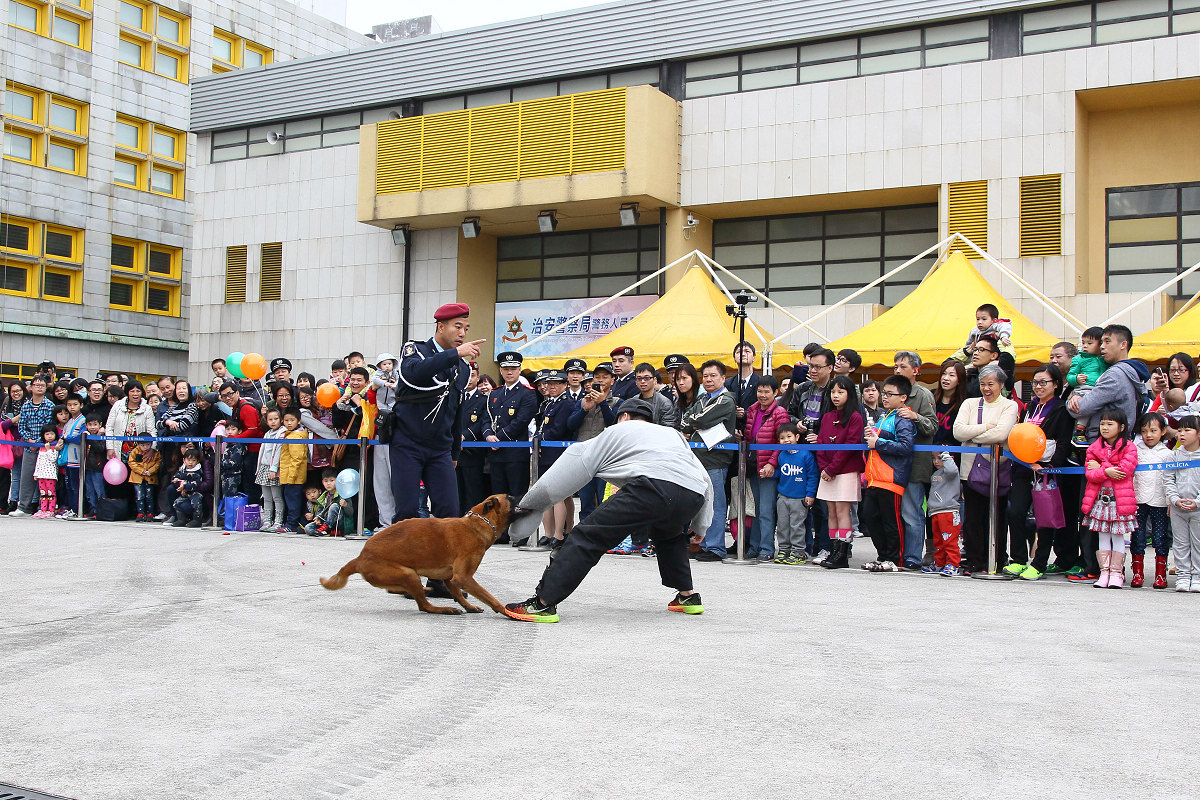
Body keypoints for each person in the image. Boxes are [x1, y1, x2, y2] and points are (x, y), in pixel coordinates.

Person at [501, 398, 713, 624]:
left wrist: (528, 509)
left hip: (652, 487)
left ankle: (542, 604)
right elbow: (705, 480)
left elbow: (570, 465)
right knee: (669, 534)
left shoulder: (617, 431)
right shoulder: (673, 435)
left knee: (587, 536)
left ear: (624, 417)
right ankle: (688, 596)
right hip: (692, 494)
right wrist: (701, 525)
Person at [1002, 364, 1073, 580]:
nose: (1038, 386)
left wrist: (1050, 467)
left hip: (1046, 471)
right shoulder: (1030, 407)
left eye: (1044, 382)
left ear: (1056, 384)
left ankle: (1039, 563)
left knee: (1044, 517)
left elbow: (1063, 443)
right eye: (1035, 382)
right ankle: (1018, 560)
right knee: (1015, 512)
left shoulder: (1061, 409)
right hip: (1023, 468)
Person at [953, 363, 1019, 575]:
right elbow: (958, 432)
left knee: (996, 517)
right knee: (972, 517)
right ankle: (975, 560)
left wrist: (972, 436)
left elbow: (1001, 434)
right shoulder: (970, 403)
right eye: (983, 384)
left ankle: (997, 559)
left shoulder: (1009, 406)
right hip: (970, 469)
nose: (986, 388)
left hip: (997, 469)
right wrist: (984, 429)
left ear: (1001, 385)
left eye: (991, 384)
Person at [679, 360, 735, 561]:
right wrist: (695, 423)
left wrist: (695, 423)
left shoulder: (726, 400)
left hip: (716, 460)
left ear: (723, 378)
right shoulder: (702, 399)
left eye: (713, 375)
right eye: (705, 376)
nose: (709, 379)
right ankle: (703, 543)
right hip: (698, 459)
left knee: (716, 504)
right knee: (702, 504)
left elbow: (699, 420)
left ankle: (716, 547)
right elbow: (685, 422)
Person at [860, 375, 915, 573]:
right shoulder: (884, 416)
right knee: (871, 518)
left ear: (903, 397)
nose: (885, 397)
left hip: (891, 478)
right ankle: (882, 556)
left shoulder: (903, 419)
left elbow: (906, 447)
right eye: (884, 393)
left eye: (890, 394)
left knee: (891, 521)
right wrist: (871, 435)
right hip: (874, 477)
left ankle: (894, 558)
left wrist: (878, 442)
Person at [1081, 409, 1138, 589]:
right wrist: (1107, 471)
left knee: (1118, 536)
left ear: (1122, 427)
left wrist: (1102, 467)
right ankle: (1104, 572)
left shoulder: (1129, 447)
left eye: (1110, 424)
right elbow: (1090, 474)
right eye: (1102, 424)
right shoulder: (1093, 447)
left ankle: (1116, 573)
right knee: (1103, 535)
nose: (1104, 427)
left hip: (1120, 499)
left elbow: (1123, 471)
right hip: (1100, 498)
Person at [1067, 324, 1150, 445]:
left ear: (1123, 344)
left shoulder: (1114, 375)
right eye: (1101, 342)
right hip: (1116, 441)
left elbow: (1081, 408)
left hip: (1104, 444)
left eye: (1107, 341)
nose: (1102, 346)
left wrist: (1070, 400)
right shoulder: (1129, 371)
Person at [893, 350, 938, 570]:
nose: (898, 370)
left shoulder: (922, 394)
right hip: (892, 462)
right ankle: (896, 554)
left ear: (916, 370)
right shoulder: (892, 392)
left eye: (903, 366)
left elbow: (932, 426)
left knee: (912, 512)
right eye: (895, 366)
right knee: (896, 513)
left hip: (915, 463)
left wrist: (915, 416)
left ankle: (913, 556)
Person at [814, 375, 865, 568]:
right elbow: (820, 443)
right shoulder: (827, 416)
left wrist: (831, 468)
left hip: (845, 470)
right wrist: (823, 468)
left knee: (843, 511)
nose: (835, 396)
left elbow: (850, 446)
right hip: (827, 471)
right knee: (831, 512)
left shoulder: (855, 417)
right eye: (833, 392)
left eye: (840, 392)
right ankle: (833, 550)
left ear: (849, 394)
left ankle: (843, 553)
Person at [484, 349, 538, 522]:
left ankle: (518, 532)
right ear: (500, 370)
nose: (509, 372)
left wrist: (498, 438)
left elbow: (521, 421)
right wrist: (488, 435)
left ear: (519, 370)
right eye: (506, 369)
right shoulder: (495, 393)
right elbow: (486, 418)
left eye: (513, 369)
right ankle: (501, 530)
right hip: (495, 453)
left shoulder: (527, 393)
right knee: (498, 496)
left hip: (515, 453)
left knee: (517, 496)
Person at [744, 375, 789, 562]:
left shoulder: (780, 412)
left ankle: (766, 548)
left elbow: (782, 441)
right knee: (755, 510)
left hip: (768, 467)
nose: (762, 395)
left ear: (775, 392)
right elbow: (749, 436)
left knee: (766, 510)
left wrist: (772, 463)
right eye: (759, 391)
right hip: (753, 465)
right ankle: (754, 546)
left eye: (766, 391)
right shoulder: (752, 409)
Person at [567, 361, 618, 523]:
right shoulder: (582, 401)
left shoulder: (618, 402)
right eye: (597, 377)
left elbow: (615, 424)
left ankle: (604, 531)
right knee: (586, 500)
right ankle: (585, 531)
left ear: (612, 380)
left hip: (606, 457)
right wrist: (584, 410)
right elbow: (570, 425)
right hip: (584, 457)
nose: (600, 380)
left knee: (605, 499)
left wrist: (602, 402)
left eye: (605, 377)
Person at [535, 370, 576, 549]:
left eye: (556, 384)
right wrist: (537, 440)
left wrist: (540, 439)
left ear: (565, 385)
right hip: (546, 452)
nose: (551, 387)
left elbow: (558, 429)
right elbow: (541, 426)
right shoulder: (548, 404)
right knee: (547, 495)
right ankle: (549, 533)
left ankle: (560, 533)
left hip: (558, 453)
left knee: (560, 495)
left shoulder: (566, 403)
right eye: (549, 383)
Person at [1132, 412, 1173, 589]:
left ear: (1163, 431)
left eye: (1153, 430)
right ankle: (1137, 573)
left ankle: (1160, 574)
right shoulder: (1134, 451)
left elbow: (1171, 479)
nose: (1148, 435)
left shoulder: (1168, 454)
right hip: (1138, 500)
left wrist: (1170, 501)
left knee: (1160, 536)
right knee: (1137, 536)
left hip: (1160, 501)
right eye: (1144, 431)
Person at [773, 422, 818, 565]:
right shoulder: (782, 455)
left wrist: (810, 494)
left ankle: (798, 551)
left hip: (799, 498)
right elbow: (781, 472)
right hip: (783, 496)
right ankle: (784, 549)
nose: (786, 440)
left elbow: (812, 476)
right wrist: (771, 473)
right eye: (782, 438)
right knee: (782, 525)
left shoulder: (806, 455)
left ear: (797, 437)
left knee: (797, 526)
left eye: (789, 436)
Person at [1165, 415, 1200, 592]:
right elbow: (1168, 480)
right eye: (1179, 430)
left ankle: (1197, 576)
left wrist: (1197, 502)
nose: (1182, 434)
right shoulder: (1173, 456)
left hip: (1198, 509)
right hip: (1178, 508)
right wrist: (1175, 499)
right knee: (1180, 543)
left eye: (1187, 430)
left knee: (1198, 543)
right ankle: (1183, 575)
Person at [13, 374, 54, 516]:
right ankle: (23, 507)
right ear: (31, 387)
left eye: (42, 385)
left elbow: (49, 426)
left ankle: (45, 507)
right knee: (26, 477)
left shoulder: (50, 406)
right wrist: (29, 439)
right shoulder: (26, 406)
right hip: (28, 447)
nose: (40, 388)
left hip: (44, 448)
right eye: (37, 385)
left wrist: (38, 441)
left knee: (45, 479)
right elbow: (21, 426)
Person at [369, 352, 399, 527]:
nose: (387, 366)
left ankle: (398, 520)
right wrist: (375, 387)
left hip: (396, 433)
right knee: (381, 481)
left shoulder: (399, 377)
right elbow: (370, 399)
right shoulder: (376, 380)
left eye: (389, 363)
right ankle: (386, 521)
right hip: (379, 433)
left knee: (396, 480)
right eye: (384, 364)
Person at [1067, 326, 1109, 446]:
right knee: (1084, 405)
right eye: (1083, 343)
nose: (1085, 346)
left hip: (1099, 388)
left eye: (1090, 343)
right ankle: (1079, 430)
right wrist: (1076, 379)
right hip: (1084, 388)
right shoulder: (1079, 359)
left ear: (1100, 344)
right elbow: (1070, 376)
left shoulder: (1104, 359)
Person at [457, 366, 491, 514]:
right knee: (456, 492)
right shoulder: (455, 397)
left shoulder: (483, 400)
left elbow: (482, 422)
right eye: (466, 375)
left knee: (473, 492)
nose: (469, 379)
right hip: (455, 452)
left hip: (473, 452)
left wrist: (464, 436)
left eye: (472, 375)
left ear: (478, 378)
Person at [927, 451, 962, 576]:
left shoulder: (951, 472)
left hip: (948, 511)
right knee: (938, 541)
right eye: (934, 458)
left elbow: (952, 470)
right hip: (936, 511)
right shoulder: (936, 473)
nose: (936, 461)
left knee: (950, 541)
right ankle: (940, 562)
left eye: (940, 458)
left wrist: (946, 457)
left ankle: (953, 564)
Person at [278, 408, 310, 533]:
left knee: (293, 502)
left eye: (292, 420)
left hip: (293, 476)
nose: (289, 423)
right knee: (293, 500)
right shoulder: (291, 434)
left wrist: (291, 476)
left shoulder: (296, 436)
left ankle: (291, 525)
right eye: (286, 420)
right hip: (290, 474)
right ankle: (295, 524)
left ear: (299, 421)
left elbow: (297, 458)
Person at [256, 407, 287, 532]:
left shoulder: (282, 433)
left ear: (281, 419)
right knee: (266, 497)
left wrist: (274, 468)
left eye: (276, 419)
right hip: (264, 467)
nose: (273, 421)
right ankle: (267, 520)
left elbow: (279, 452)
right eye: (270, 419)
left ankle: (278, 521)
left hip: (275, 468)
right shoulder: (267, 433)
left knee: (277, 497)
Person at [170, 445, 212, 528]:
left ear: (197, 461)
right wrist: (176, 479)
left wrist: (185, 487)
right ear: (184, 460)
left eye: (193, 460)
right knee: (177, 503)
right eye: (188, 460)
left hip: (196, 492)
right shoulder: (183, 469)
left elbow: (196, 484)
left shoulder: (197, 471)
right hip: (185, 493)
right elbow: (177, 476)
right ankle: (181, 519)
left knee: (196, 504)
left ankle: (197, 520)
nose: (190, 462)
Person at [58, 393, 85, 518]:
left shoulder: (83, 420)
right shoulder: (69, 421)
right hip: (68, 457)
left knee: (75, 486)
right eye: (69, 405)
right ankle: (70, 508)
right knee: (68, 486)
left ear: (81, 405)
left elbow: (81, 438)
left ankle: (76, 509)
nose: (72, 407)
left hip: (77, 458)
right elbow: (62, 436)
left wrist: (66, 438)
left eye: (75, 404)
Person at [633, 362, 679, 429]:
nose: (642, 381)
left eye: (647, 378)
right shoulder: (633, 401)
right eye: (639, 378)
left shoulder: (664, 403)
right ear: (636, 381)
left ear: (654, 380)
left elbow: (669, 427)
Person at [724, 341, 761, 421]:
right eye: (739, 352)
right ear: (734, 358)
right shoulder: (727, 383)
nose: (743, 354)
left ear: (754, 357)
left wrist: (746, 413)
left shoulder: (761, 382)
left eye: (747, 351)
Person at [933, 360, 967, 446]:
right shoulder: (931, 396)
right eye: (944, 374)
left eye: (951, 375)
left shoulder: (965, 402)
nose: (946, 378)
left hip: (953, 449)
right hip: (931, 448)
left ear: (959, 380)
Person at [128, 441, 162, 522]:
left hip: (150, 477)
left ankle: (150, 513)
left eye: (147, 445)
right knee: (139, 496)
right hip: (137, 477)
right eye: (142, 445)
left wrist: (150, 471)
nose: (145, 447)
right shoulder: (135, 451)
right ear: (138, 444)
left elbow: (158, 463)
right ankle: (140, 513)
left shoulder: (156, 453)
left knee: (149, 496)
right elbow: (131, 462)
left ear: (151, 444)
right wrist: (141, 471)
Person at [32, 423, 61, 518]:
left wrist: (49, 449)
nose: (49, 436)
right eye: (47, 434)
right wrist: (36, 473)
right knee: (43, 493)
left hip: (50, 474)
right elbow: (38, 461)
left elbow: (53, 459)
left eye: (52, 434)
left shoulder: (55, 446)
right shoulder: (42, 446)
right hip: (41, 474)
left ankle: (51, 510)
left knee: (51, 492)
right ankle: (43, 509)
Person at [82, 414, 107, 517]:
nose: (92, 427)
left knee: (99, 490)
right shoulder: (84, 435)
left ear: (100, 425)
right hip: (87, 467)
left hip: (98, 467)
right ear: (86, 425)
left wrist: (92, 438)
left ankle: (102, 510)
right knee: (90, 491)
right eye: (90, 425)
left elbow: (100, 449)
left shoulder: (102, 436)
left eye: (95, 424)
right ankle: (93, 509)